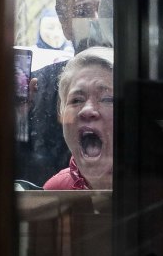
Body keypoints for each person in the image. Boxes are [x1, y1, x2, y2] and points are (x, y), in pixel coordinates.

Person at [20, 0, 112, 186]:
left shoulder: (133, 79)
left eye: (107, 98)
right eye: (84, 12)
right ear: (65, 25)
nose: (96, 20)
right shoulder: (38, 87)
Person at [43, 47, 114, 190]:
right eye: (76, 100)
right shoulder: (56, 190)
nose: (87, 110)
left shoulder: (159, 189)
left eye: (107, 99)